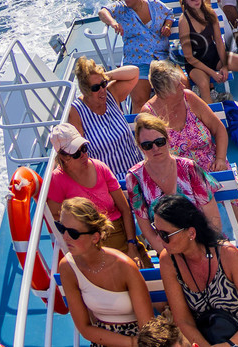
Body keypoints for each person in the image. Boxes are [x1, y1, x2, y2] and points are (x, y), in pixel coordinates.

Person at [141, 62, 238, 278]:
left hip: (210, 164)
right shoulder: (150, 114)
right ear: (163, 91)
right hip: (179, 175)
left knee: (235, 189)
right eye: (176, 85)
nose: (182, 87)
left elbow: (219, 130)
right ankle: (214, 259)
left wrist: (220, 158)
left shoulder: (188, 98)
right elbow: (153, 157)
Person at [153, 194, 238, 347]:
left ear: (191, 233)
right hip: (208, 340)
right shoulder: (168, 261)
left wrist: (230, 345)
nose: (159, 240)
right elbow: (183, 320)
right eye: (157, 231)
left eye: (165, 235)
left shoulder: (227, 255)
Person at [53, 197, 154, 347]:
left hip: (140, 338)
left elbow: (147, 326)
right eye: (61, 228)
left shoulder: (124, 266)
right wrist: (129, 343)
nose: (65, 237)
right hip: (105, 339)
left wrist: (134, 343)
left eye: (73, 233)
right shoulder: (68, 267)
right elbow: (85, 328)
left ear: (95, 237)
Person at [124, 113, 222, 256]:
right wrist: (170, 257)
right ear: (140, 147)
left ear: (168, 140)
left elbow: (212, 218)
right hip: (167, 249)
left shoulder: (189, 168)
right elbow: (146, 229)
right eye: (147, 145)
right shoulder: (134, 178)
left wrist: (205, 250)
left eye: (159, 142)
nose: (155, 148)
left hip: (202, 242)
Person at [45, 122, 143, 264]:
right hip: (88, 243)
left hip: (118, 233)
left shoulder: (100, 167)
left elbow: (125, 209)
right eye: (77, 153)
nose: (84, 155)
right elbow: (56, 217)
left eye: (84, 148)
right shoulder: (57, 180)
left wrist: (132, 245)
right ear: (64, 157)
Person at [99, 0, 173, 110]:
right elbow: (103, 12)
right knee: (139, 100)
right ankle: (142, 129)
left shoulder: (154, 4)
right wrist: (113, 22)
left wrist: (167, 26)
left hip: (160, 58)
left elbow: (169, 14)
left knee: (174, 92)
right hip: (137, 61)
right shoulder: (121, 9)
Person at [68, 57, 144, 182]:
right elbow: (77, 153)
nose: (102, 90)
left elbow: (134, 72)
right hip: (110, 183)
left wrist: (105, 76)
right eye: (95, 88)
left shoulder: (111, 94)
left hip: (138, 173)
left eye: (103, 84)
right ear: (85, 90)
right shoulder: (76, 111)